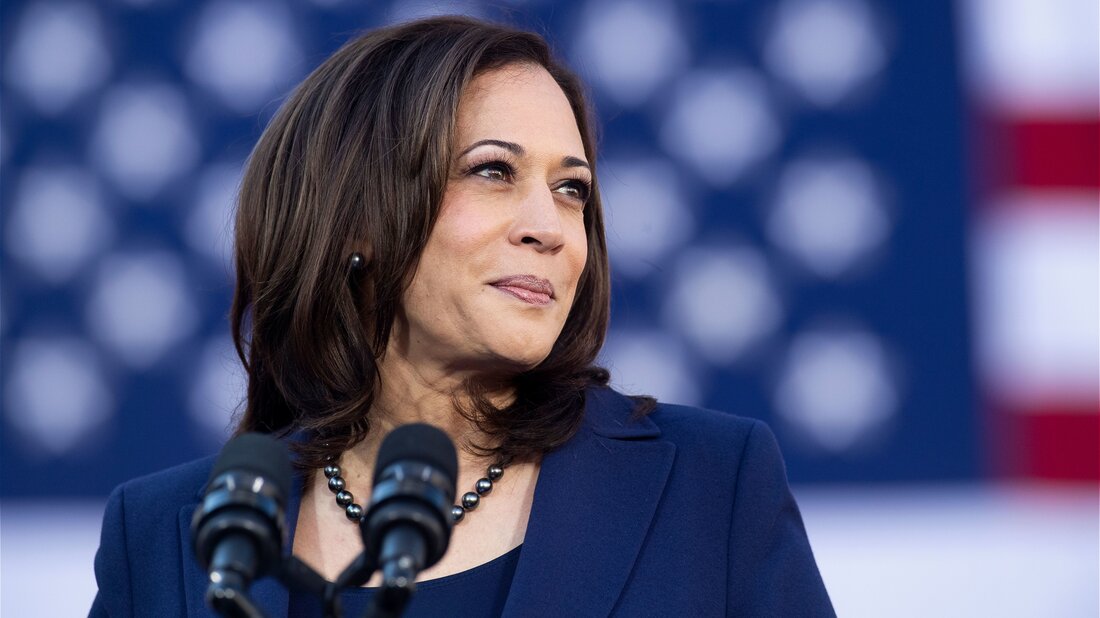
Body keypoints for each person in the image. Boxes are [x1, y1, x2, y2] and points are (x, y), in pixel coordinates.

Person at [90, 15, 834, 617]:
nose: (552, 227)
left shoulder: (713, 488)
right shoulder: (166, 537)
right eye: (493, 171)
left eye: (572, 189)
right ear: (358, 222)